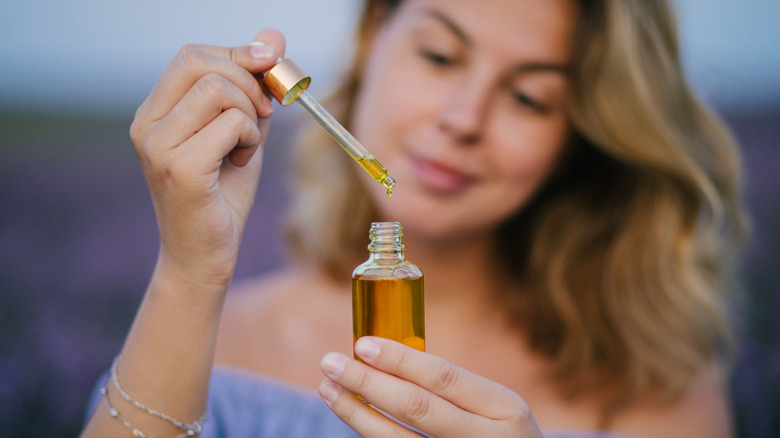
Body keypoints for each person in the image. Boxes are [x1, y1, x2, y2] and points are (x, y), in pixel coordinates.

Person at [81, 0, 748, 436]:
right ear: (373, 41)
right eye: (438, 56)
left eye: (528, 96)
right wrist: (190, 271)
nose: (462, 119)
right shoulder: (207, 339)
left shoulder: (654, 384)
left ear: (580, 136)